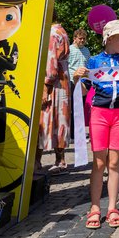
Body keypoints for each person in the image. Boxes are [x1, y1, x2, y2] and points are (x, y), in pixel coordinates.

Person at [74, 20, 119, 229]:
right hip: (100, 114)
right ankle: (95, 207)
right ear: (109, 39)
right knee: (99, 163)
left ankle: (113, 207)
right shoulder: (94, 61)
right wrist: (78, 79)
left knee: (114, 163)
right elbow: (85, 91)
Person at [37, 15, 71, 174]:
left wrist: (45, 86)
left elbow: (51, 61)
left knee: (45, 119)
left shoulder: (51, 33)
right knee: (61, 120)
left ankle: (37, 161)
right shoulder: (61, 31)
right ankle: (60, 159)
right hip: (63, 80)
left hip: (55, 82)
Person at [68, 29, 90, 139]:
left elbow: (88, 64)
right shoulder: (69, 50)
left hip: (84, 82)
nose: (82, 40)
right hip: (72, 80)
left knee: (81, 107)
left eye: (84, 39)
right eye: (80, 38)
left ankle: (78, 133)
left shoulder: (87, 51)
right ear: (74, 38)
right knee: (72, 108)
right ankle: (72, 133)